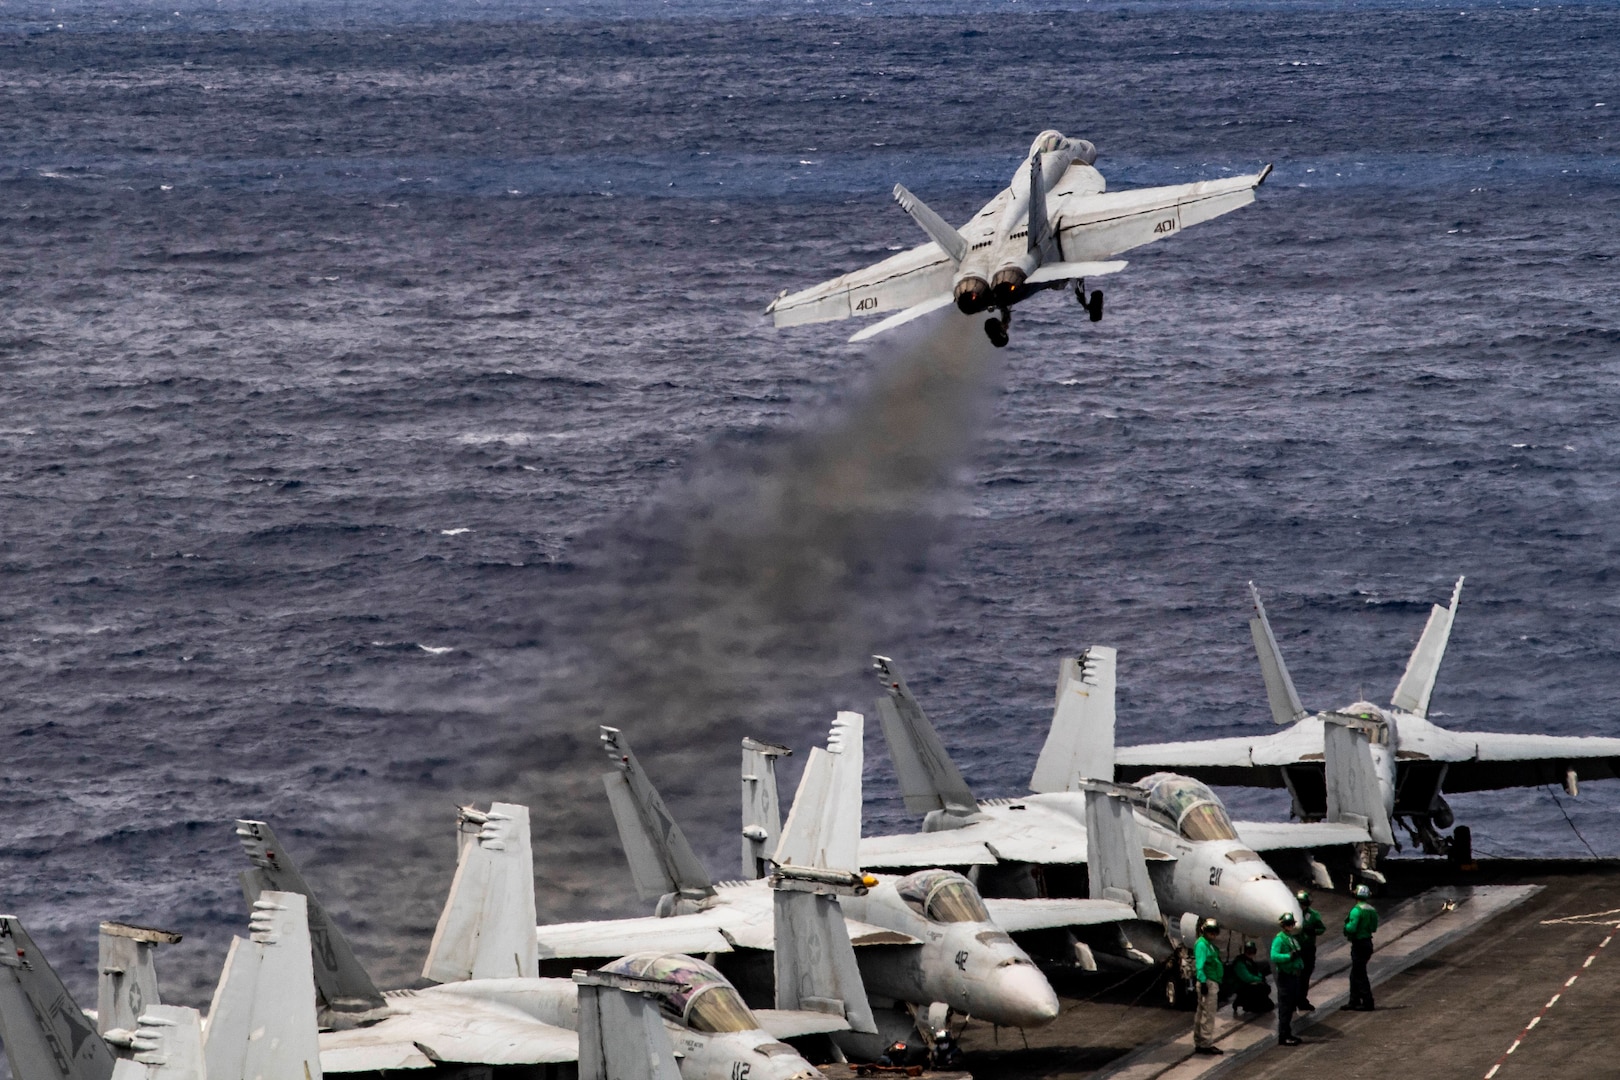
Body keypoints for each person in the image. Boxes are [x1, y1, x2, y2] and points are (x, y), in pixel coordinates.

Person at [1270, 912, 1304, 1046]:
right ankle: (1283, 1035)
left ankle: (1288, 1033)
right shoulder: (1280, 939)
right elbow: (1274, 956)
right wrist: (1288, 956)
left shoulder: (1290, 938)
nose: (1290, 926)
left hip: (1293, 975)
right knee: (1285, 1006)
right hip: (1286, 976)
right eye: (1288, 924)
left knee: (1290, 1006)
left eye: (1291, 924)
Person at [1192, 916, 1225, 1055]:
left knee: (1202, 1013)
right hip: (1208, 982)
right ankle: (1205, 1043)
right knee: (1208, 1014)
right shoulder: (1202, 945)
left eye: (1215, 931)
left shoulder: (1208, 944)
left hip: (1211, 981)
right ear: (1204, 931)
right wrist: (1203, 981)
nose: (1213, 934)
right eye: (1210, 931)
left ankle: (1200, 1041)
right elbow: (1199, 965)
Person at [1345, 883, 1380, 1011]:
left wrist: (1346, 928)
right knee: (1355, 974)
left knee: (1359, 974)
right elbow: (1374, 928)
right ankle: (1353, 1001)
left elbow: (1351, 928)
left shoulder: (1356, 910)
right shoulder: (1372, 910)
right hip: (1367, 943)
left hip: (1359, 944)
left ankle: (1367, 1002)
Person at [1296, 889, 1326, 1010]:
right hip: (1295, 949)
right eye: (1300, 903)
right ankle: (1292, 1001)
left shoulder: (1313, 915)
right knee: (1294, 976)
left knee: (1305, 975)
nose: (1302, 906)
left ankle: (1302, 999)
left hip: (1308, 949)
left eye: (1304, 903)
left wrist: (1313, 931)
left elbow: (1322, 928)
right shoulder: (1292, 913)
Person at [1227, 940, 1274, 1016]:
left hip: (1251, 983)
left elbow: (1257, 972)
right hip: (1242, 985)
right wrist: (1258, 980)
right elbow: (1246, 977)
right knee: (1260, 990)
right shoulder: (1240, 962)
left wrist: (1260, 978)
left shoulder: (1250, 961)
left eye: (1253, 951)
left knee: (1268, 1000)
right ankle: (1243, 1002)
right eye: (1249, 951)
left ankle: (1251, 1003)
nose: (1251, 953)